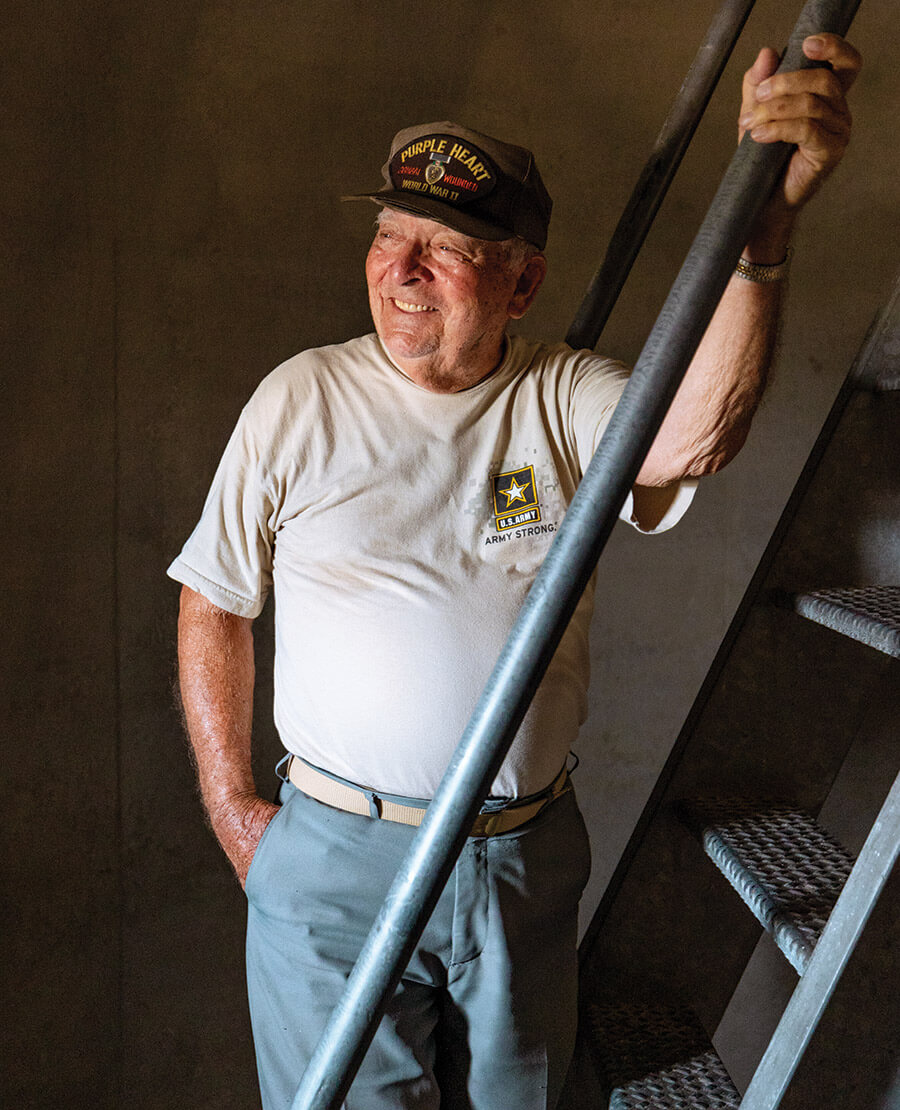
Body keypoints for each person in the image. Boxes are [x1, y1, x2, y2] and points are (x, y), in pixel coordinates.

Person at [170, 34, 860, 1110]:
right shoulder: (298, 400)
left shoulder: (565, 395)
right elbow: (213, 598)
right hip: (332, 866)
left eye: (442, 247)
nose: (400, 270)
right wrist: (230, 807)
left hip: (516, 864)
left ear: (523, 281)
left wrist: (761, 237)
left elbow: (692, 437)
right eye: (391, 235)